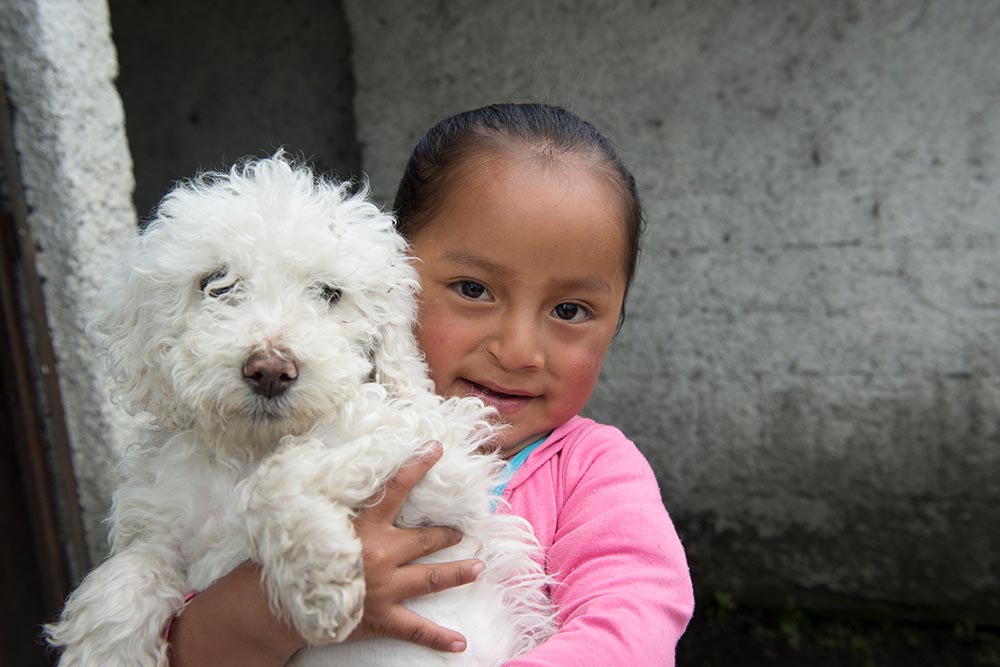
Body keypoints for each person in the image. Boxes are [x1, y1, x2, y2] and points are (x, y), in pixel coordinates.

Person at [168, 102, 694, 666]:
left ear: (617, 324)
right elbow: (182, 650)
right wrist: (285, 603)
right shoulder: (292, 437)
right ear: (390, 281)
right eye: (472, 290)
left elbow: (631, 628)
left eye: (569, 309)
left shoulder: (592, 470)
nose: (518, 351)